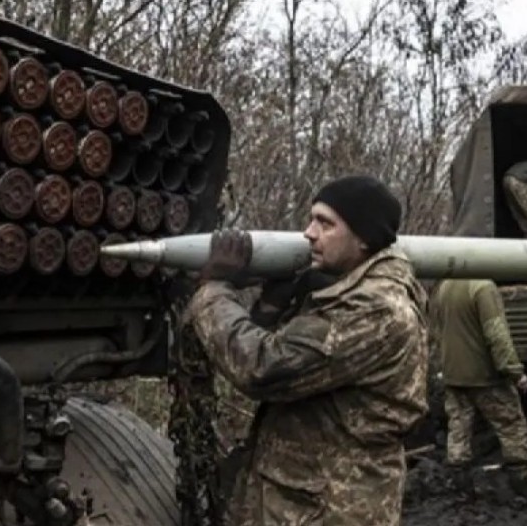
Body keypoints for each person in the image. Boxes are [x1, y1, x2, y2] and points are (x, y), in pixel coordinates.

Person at [183, 175, 429, 525]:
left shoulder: (374, 310)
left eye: (326, 223)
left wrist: (213, 290)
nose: (309, 233)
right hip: (305, 502)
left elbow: (262, 369)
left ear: (363, 239)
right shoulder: (346, 292)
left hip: (329, 510)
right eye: (312, 219)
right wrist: (271, 306)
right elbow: (292, 369)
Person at [429, 278, 527, 507]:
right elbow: (497, 334)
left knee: (459, 431)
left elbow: (435, 331)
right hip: (485, 377)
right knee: (511, 426)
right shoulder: (483, 287)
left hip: (453, 375)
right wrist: (514, 371)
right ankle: (523, 487)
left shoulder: (443, 287)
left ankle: (462, 489)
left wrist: (440, 368)